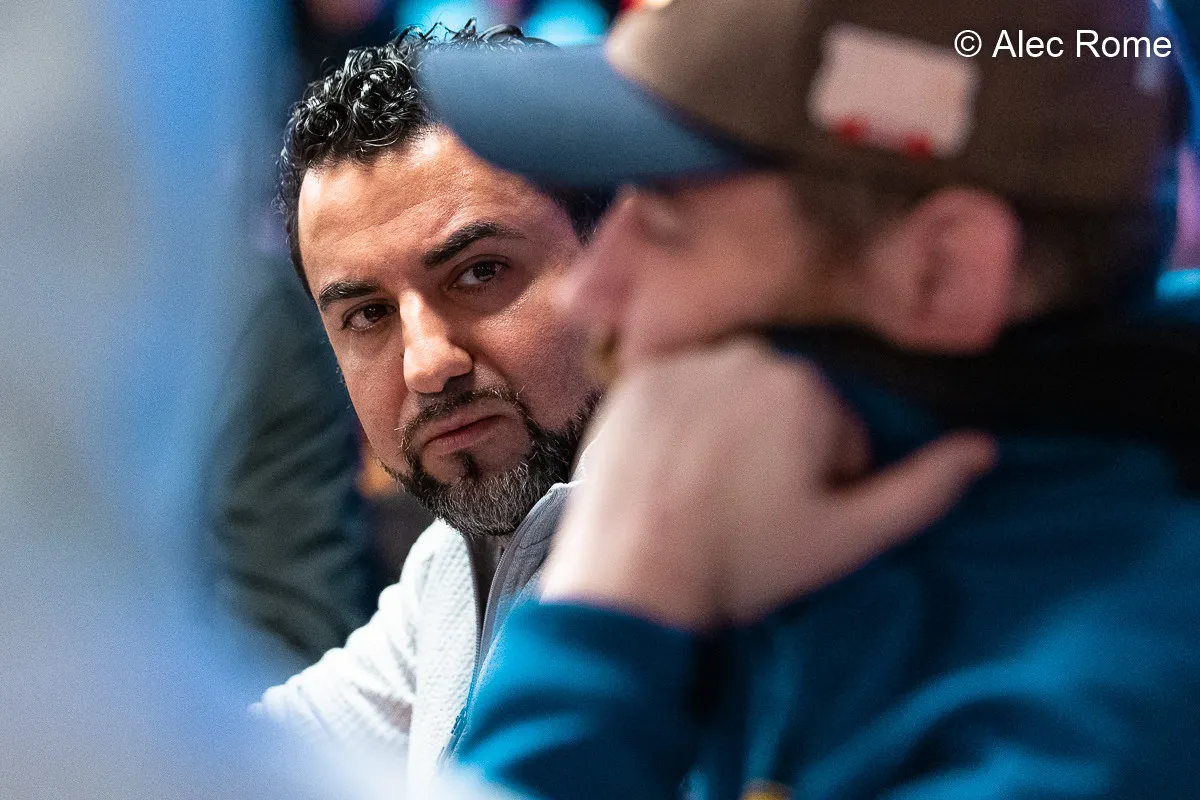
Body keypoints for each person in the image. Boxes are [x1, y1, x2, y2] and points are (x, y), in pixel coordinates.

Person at [419, 0, 1200, 796]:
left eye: (666, 222)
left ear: (940, 273)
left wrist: (608, 620)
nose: (587, 293)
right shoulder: (797, 536)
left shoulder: (1085, 733)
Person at [253, 23, 607, 795]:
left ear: (615, 264)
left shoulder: (753, 544)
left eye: (479, 273)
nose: (426, 362)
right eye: (368, 315)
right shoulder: (459, 560)